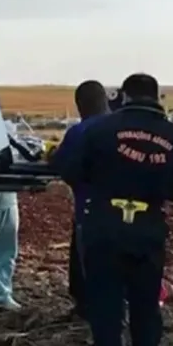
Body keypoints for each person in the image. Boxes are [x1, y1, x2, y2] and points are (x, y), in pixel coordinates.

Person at [58, 73, 173, 346]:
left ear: (126, 96)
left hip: (102, 228)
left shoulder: (99, 130)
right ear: (156, 97)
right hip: (148, 232)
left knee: (105, 309)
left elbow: (70, 171)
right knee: (146, 309)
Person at [48, 80, 110, 319]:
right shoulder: (122, 127)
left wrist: (53, 156)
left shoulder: (81, 131)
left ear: (80, 105)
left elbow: (64, 166)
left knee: (86, 263)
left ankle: (88, 310)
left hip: (90, 210)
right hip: (129, 214)